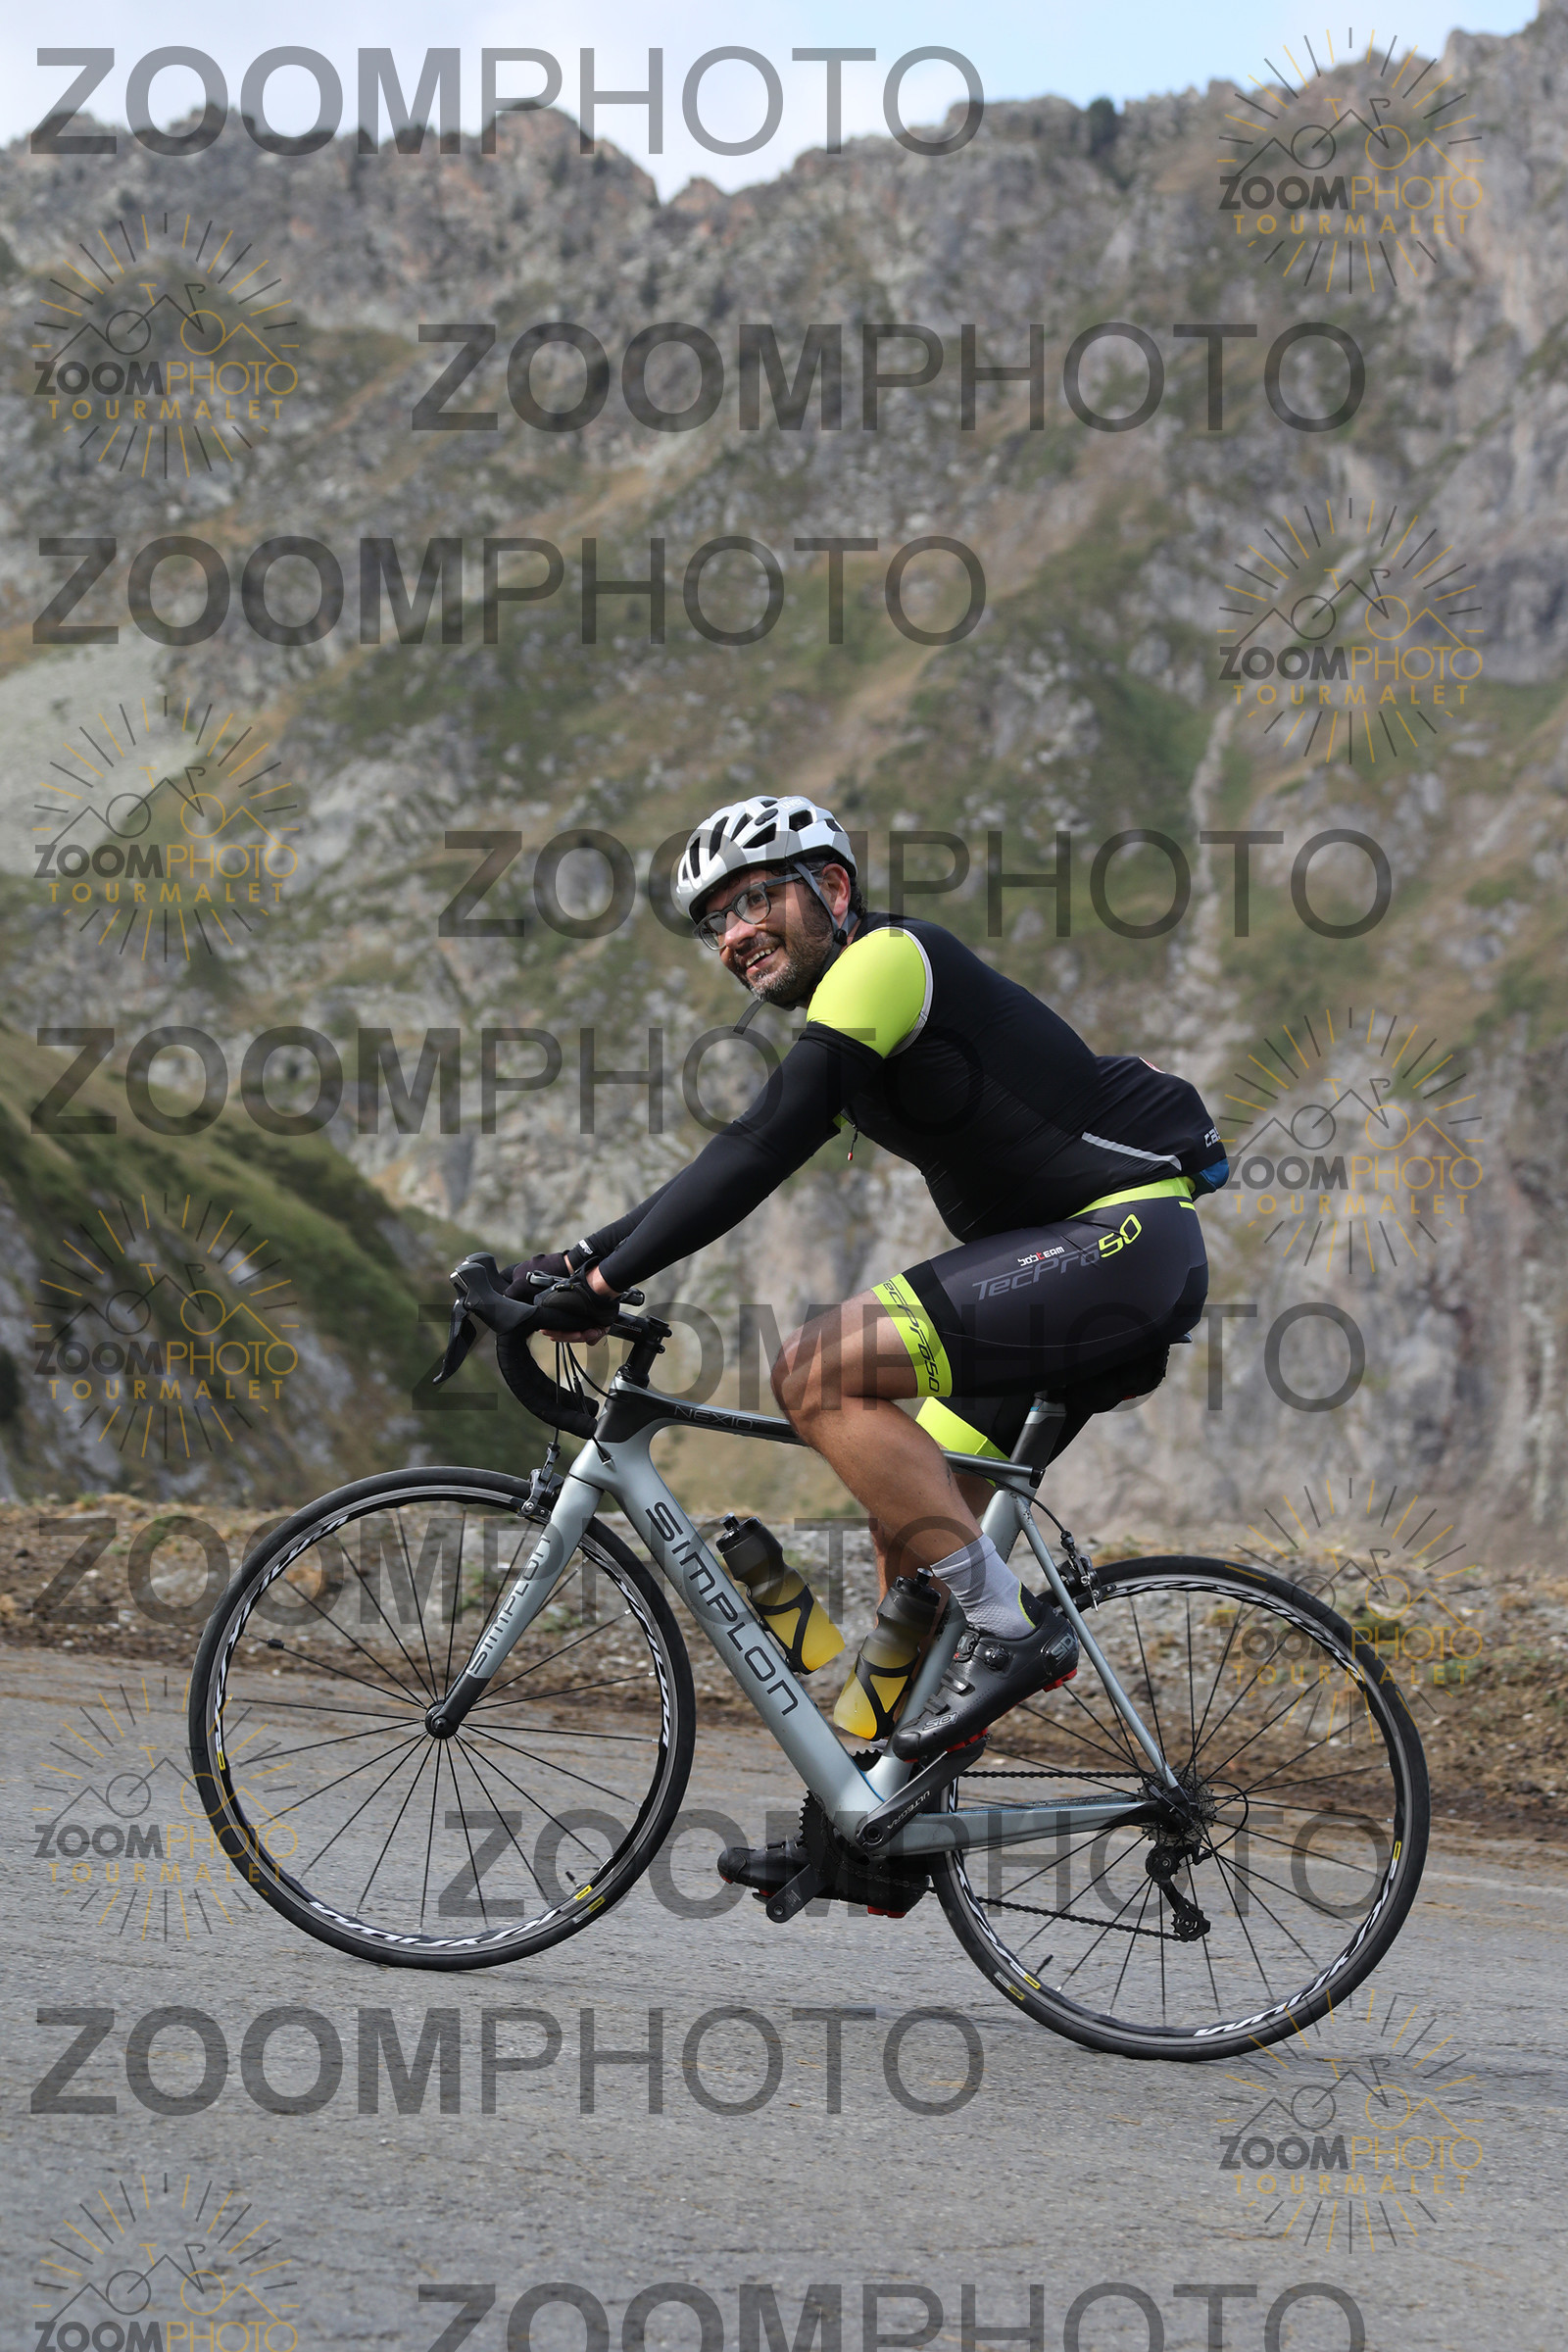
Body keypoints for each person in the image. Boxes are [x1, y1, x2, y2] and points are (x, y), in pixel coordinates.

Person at [509, 797, 1224, 1881]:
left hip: (1116, 1241)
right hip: (1085, 1267)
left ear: (831, 889)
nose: (735, 933)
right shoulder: (856, 1017)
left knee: (814, 1370)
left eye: (755, 899)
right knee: (913, 1553)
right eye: (715, 922)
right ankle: (866, 1834)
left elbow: (757, 1146)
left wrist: (602, 1282)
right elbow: (742, 1152)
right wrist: (567, 1264)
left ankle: (1013, 1636)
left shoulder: (888, 961)